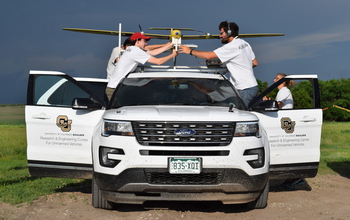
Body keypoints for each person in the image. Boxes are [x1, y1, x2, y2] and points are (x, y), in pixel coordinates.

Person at [179, 21, 258, 107]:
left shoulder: (231, 46)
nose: (220, 36)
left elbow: (208, 56)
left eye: (221, 33)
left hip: (243, 89)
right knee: (214, 95)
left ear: (229, 33)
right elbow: (255, 63)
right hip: (249, 86)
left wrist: (190, 51)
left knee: (240, 115)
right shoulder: (244, 43)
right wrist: (238, 66)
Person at [106, 32, 178, 100]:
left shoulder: (130, 49)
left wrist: (168, 46)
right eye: (144, 41)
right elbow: (158, 62)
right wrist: (173, 55)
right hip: (115, 90)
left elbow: (152, 52)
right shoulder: (135, 51)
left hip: (114, 87)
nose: (146, 44)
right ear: (138, 41)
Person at [267, 73, 306, 189]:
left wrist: (267, 104)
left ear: (283, 81)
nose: (274, 80)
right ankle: (291, 177)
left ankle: (294, 177)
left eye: (277, 79)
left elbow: (278, 106)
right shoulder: (283, 91)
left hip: (283, 122)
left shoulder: (283, 91)